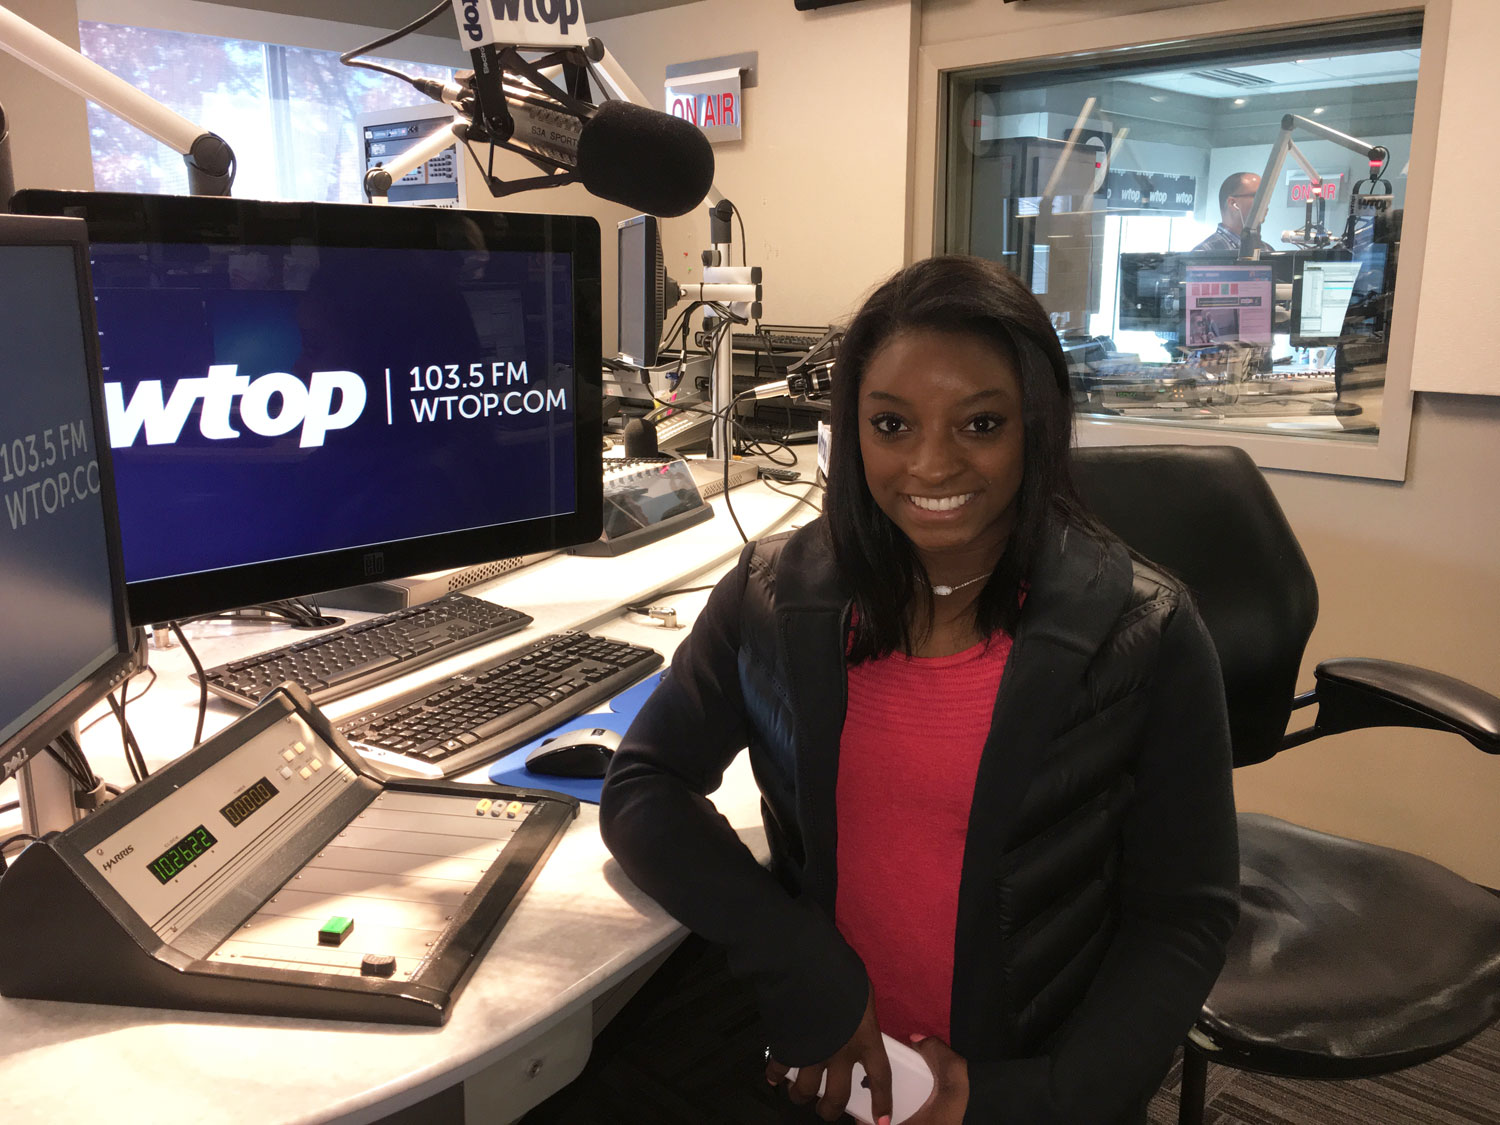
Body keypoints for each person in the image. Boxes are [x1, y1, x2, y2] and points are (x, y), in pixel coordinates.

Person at [599, 255, 1239, 1124]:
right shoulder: (773, 593)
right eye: (892, 424)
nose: (931, 465)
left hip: (1023, 1087)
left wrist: (1046, 1099)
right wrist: (799, 965)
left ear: (1036, 428)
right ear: (850, 426)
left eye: (980, 424)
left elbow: (1184, 915)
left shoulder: (1146, 630)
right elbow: (644, 784)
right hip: (826, 1068)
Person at [1193, 172, 1275, 254]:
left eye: (1266, 196)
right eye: (1258, 196)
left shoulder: (1267, 250)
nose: (1266, 201)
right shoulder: (1205, 252)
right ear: (1232, 203)